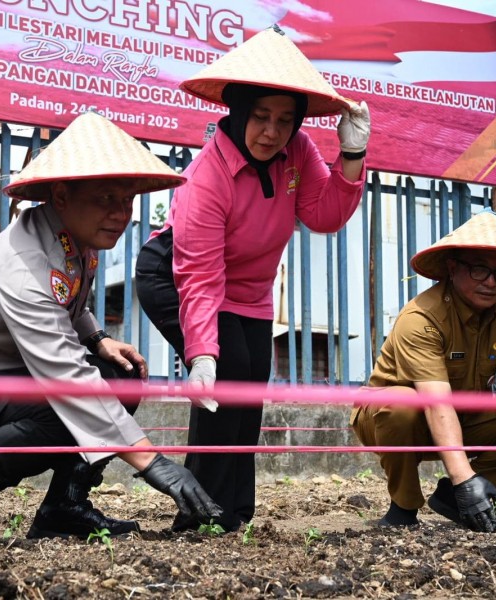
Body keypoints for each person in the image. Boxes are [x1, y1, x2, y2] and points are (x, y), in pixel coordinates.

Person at [0, 111, 221, 546]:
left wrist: (97, 338)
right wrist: (153, 463)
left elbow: (69, 299)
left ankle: (64, 509)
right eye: (106, 197)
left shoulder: (73, 236)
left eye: (125, 200)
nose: (120, 213)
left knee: (120, 378)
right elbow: (67, 378)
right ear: (62, 195)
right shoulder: (23, 265)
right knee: (65, 405)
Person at [136, 25, 370, 533]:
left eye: (285, 120)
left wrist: (350, 157)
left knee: (249, 388)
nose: (271, 132)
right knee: (223, 379)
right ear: (238, 110)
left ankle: (235, 514)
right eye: (260, 117)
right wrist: (200, 353)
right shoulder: (207, 176)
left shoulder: (299, 150)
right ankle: (198, 519)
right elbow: (198, 274)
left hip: (250, 291)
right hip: (176, 275)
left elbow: (323, 215)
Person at [352, 209, 496, 532]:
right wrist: (464, 475)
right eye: (479, 269)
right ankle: (404, 506)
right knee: (399, 405)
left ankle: (455, 496)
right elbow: (436, 403)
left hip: (463, 415)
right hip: (394, 418)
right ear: (453, 268)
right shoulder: (421, 317)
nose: (491, 283)